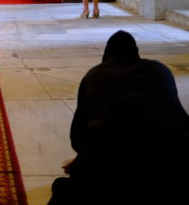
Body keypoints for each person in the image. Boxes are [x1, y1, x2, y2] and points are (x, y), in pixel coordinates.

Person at [48, 31, 189, 205]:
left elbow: (78, 137)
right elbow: (179, 119)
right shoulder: (159, 70)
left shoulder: (96, 75)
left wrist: (83, 159)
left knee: (63, 188)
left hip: (108, 168)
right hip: (169, 164)